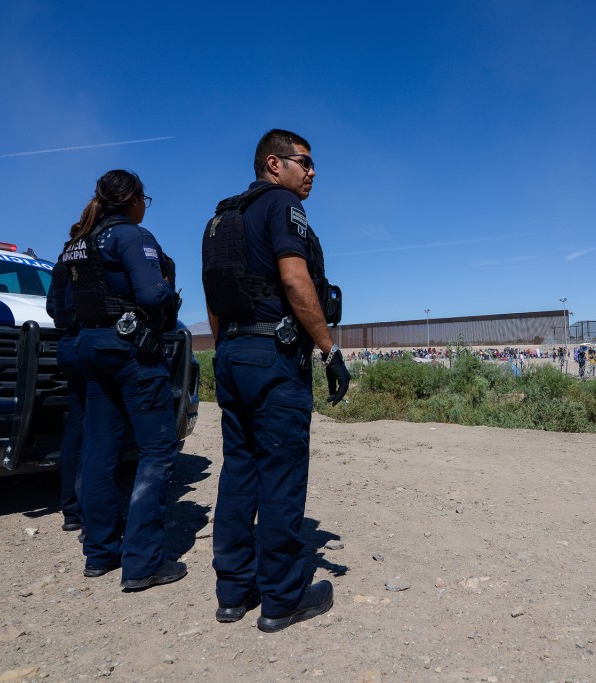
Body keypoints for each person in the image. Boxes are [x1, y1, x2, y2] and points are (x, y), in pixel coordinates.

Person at [203, 129, 349, 633]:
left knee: (239, 473)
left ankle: (233, 591)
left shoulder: (220, 219)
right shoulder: (282, 205)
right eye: (304, 162)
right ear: (274, 164)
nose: (311, 173)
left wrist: (227, 353)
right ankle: (283, 598)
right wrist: (329, 349)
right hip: (274, 355)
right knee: (281, 474)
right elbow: (293, 278)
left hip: (231, 354)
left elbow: (214, 299)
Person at [58, 169, 185, 592]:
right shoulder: (132, 236)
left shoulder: (77, 243)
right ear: (133, 199)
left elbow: (59, 304)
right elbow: (151, 295)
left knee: (99, 449)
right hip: (129, 350)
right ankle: (143, 562)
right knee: (157, 451)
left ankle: (100, 552)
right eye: (143, 199)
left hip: (90, 349)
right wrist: (166, 291)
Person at [46, 254, 85, 536]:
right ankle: (91, 513)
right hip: (92, 342)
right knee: (101, 433)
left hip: (67, 345)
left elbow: (52, 306)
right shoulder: (100, 251)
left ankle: (72, 510)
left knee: (76, 428)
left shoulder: (62, 262)